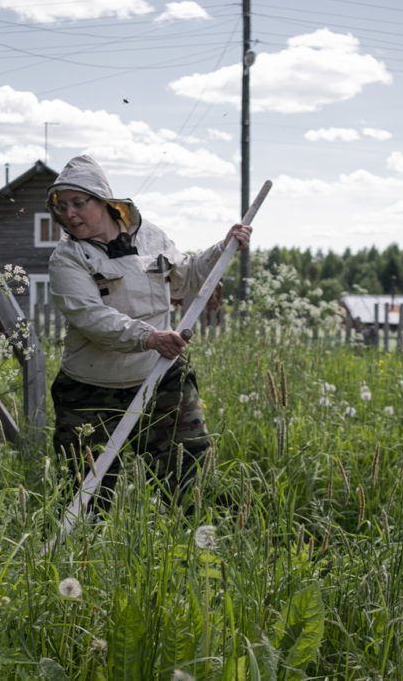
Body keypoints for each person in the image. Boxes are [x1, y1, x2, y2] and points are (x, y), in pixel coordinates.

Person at [46, 154, 252, 512]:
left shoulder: (151, 235)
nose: (70, 214)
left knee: (191, 478)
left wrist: (223, 249)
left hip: (160, 379)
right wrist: (150, 337)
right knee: (85, 496)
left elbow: (186, 276)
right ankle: (74, 562)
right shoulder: (67, 258)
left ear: (104, 200)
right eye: (62, 207)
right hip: (90, 395)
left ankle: (204, 554)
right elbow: (91, 317)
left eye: (79, 203)